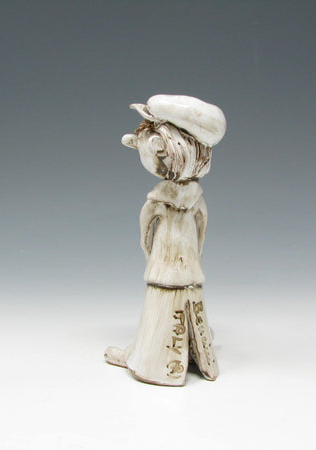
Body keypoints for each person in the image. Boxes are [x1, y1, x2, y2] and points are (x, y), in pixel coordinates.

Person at [105, 95, 226, 386]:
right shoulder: (196, 198)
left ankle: (150, 360)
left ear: (162, 148)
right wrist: (196, 255)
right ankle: (198, 346)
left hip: (164, 259)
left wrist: (148, 252)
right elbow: (202, 229)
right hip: (190, 263)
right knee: (189, 294)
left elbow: (145, 229)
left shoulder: (159, 199)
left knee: (160, 299)